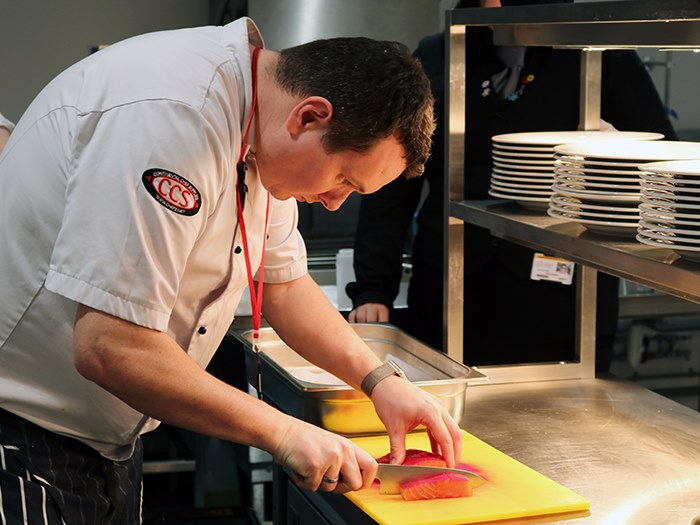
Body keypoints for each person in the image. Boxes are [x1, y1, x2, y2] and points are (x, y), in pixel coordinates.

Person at [0, 17, 463, 524]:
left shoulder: (262, 134)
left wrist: (381, 381)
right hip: (21, 427)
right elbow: (111, 345)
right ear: (309, 117)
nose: (334, 204)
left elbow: (285, 285)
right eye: (344, 180)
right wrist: (283, 432)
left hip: (105, 435)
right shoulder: (173, 113)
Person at [347, 0, 678, 371]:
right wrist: (373, 287)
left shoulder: (598, 54)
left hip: (563, 294)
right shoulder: (440, 53)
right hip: (449, 284)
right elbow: (394, 184)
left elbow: (663, 161)